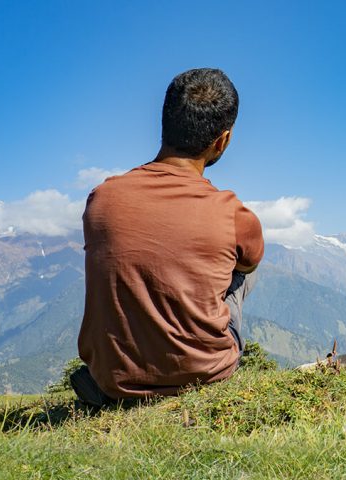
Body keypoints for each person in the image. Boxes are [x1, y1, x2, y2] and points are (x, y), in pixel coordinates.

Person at [71, 68, 264, 407]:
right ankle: (197, 356)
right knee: (245, 266)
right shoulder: (231, 211)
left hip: (113, 382)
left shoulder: (102, 198)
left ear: (165, 124)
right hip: (205, 375)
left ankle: (120, 375)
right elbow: (249, 263)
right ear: (223, 140)